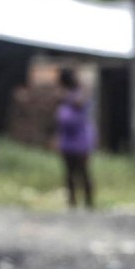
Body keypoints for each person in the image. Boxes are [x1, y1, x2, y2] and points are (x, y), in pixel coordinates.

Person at [55, 67, 95, 209]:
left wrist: (67, 95)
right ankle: (72, 203)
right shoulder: (62, 95)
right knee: (69, 172)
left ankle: (89, 203)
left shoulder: (78, 94)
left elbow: (80, 102)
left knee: (83, 171)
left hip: (81, 139)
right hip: (67, 139)